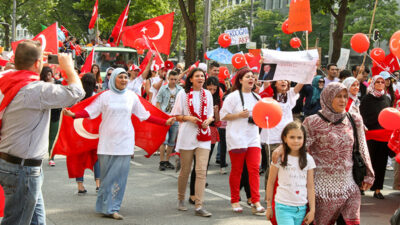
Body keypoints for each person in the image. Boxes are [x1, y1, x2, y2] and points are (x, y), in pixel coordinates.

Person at [64, 68, 175, 220]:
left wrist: (164, 122)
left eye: (126, 77)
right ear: (113, 79)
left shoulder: (132, 97)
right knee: (107, 177)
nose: (124, 80)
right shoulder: (105, 96)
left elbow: (145, 115)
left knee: (119, 177)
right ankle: (103, 205)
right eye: (120, 77)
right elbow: (90, 111)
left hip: (125, 141)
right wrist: (74, 114)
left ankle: (113, 207)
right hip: (106, 142)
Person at [0, 40, 85, 225]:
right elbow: (77, 92)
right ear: (38, 63)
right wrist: (68, 68)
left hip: (13, 163)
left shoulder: (5, 80)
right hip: (24, 169)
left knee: (37, 222)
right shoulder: (35, 90)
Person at [219, 68, 265, 215]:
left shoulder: (258, 98)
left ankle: (256, 200)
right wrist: (239, 115)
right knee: (237, 170)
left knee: (254, 169)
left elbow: (263, 117)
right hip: (236, 137)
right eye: (247, 77)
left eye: (253, 77)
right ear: (240, 80)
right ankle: (234, 200)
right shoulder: (232, 97)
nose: (251, 79)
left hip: (253, 137)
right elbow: (222, 116)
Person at [171, 68, 214, 217]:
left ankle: (199, 205)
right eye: (197, 76)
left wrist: (208, 121)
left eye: (202, 76)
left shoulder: (207, 94)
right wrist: (189, 118)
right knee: (185, 170)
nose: (201, 78)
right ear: (191, 79)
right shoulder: (183, 94)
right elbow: (176, 115)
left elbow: (210, 114)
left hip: (203, 135)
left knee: (201, 171)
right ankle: (181, 198)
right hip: (187, 135)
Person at [266, 121, 316, 225]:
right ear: (285, 138)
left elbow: (310, 186)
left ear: (304, 139)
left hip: (301, 208)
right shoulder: (279, 158)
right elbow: (270, 183)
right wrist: (269, 207)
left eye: (299, 137)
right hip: (283, 207)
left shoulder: (309, 159)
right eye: (292, 137)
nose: (296, 141)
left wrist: (312, 210)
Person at [260, 80, 303, 181]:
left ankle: (282, 195)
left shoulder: (290, 94)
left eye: (285, 80)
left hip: (288, 139)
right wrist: (266, 66)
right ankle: (269, 195)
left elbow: (301, 84)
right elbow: (266, 82)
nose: (283, 82)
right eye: (280, 80)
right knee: (273, 168)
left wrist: (310, 70)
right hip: (272, 138)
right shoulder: (269, 94)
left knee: (287, 168)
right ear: (274, 83)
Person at [188, 76, 221, 203]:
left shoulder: (217, 98)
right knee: (196, 164)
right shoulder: (198, 95)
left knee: (204, 165)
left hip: (210, 132)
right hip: (196, 130)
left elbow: (217, 121)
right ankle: (192, 193)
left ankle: (199, 191)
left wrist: (215, 113)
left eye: (214, 89)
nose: (212, 91)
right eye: (209, 88)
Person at [360, 75, 391, 199]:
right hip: (371, 135)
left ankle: (377, 189)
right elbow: (364, 117)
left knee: (381, 163)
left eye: (382, 82)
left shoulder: (386, 98)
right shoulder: (367, 99)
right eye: (377, 82)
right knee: (368, 163)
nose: (379, 84)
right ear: (372, 83)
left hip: (384, 136)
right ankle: (362, 186)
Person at [74, 73, 101, 195]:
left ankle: (80, 185)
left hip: (79, 131)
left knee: (80, 158)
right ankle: (98, 184)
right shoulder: (96, 97)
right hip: (94, 131)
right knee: (96, 158)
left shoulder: (77, 97)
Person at [156, 70, 182, 171]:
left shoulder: (180, 90)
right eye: (171, 79)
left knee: (171, 141)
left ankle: (167, 160)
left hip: (175, 118)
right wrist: (160, 115)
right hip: (165, 117)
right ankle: (161, 161)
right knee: (164, 140)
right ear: (168, 79)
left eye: (175, 79)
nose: (173, 81)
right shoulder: (163, 89)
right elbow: (158, 102)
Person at [40, 66, 60, 167]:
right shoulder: (39, 85)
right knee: (41, 136)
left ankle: (51, 157)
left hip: (55, 114)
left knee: (52, 137)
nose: (48, 76)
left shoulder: (57, 84)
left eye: (50, 74)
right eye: (46, 74)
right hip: (41, 114)